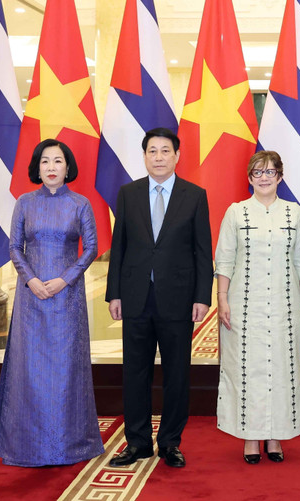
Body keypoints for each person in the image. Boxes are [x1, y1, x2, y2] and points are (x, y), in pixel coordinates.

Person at [0, 139, 103, 466]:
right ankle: (25, 443)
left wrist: (65, 278)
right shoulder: (24, 203)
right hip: (31, 297)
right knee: (30, 369)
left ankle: (68, 443)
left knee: (65, 369)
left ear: (68, 167)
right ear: (37, 168)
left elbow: (91, 248)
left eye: (58, 161)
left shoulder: (80, 204)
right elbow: (14, 247)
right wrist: (31, 279)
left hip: (67, 296)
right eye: (45, 162)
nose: (51, 167)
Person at [106, 127, 213, 469]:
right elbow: (118, 247)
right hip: (135, 297)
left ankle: (169, 442)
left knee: (177, 373)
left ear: (177, 156)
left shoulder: (194, 195)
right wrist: (114, 294)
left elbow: (201, 252)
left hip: (178, 300)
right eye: (152, 151)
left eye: (165, 151)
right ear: (144, 156)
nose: (159, 157)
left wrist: (202, 296)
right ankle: (137, 442)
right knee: (134, 373)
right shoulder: (128, 194)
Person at [215, 151, 300, 464]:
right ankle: (251, 437)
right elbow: (225, 258)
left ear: (280, 177)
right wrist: (222, 297)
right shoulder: (236, 212)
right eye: (258, 172)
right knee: (248, 369)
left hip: (284, 305)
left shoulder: (293, 213)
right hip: (244, 304)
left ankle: (275, 436)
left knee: (282, 367)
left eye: (270, 172)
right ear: (250, 178)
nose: (264, 177)